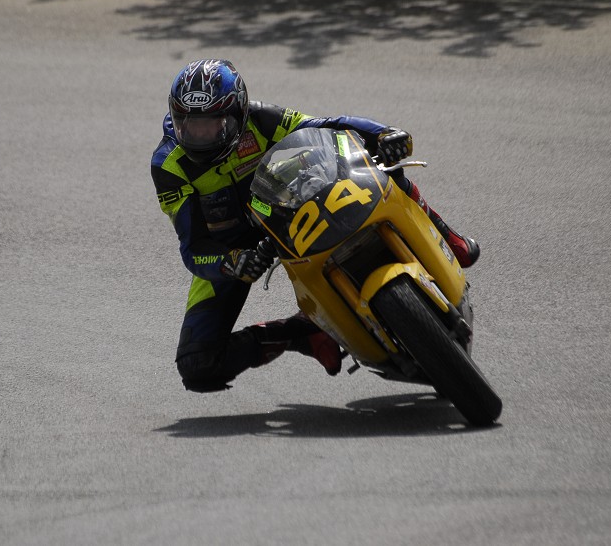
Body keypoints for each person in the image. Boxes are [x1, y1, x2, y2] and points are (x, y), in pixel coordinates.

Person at [151, 59, 480, 393]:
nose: (199, 137)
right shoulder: (169, 165)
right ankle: (304, 333)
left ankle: (447, 237)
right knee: (198, 364)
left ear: (238, 114)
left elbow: (325, 127)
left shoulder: (261, 119)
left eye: (211, 126)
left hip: (288, 208)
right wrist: (231, 262)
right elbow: (194, 247)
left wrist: (382, 133)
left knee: (384, 167)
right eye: (189, 126)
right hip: (232, 246)